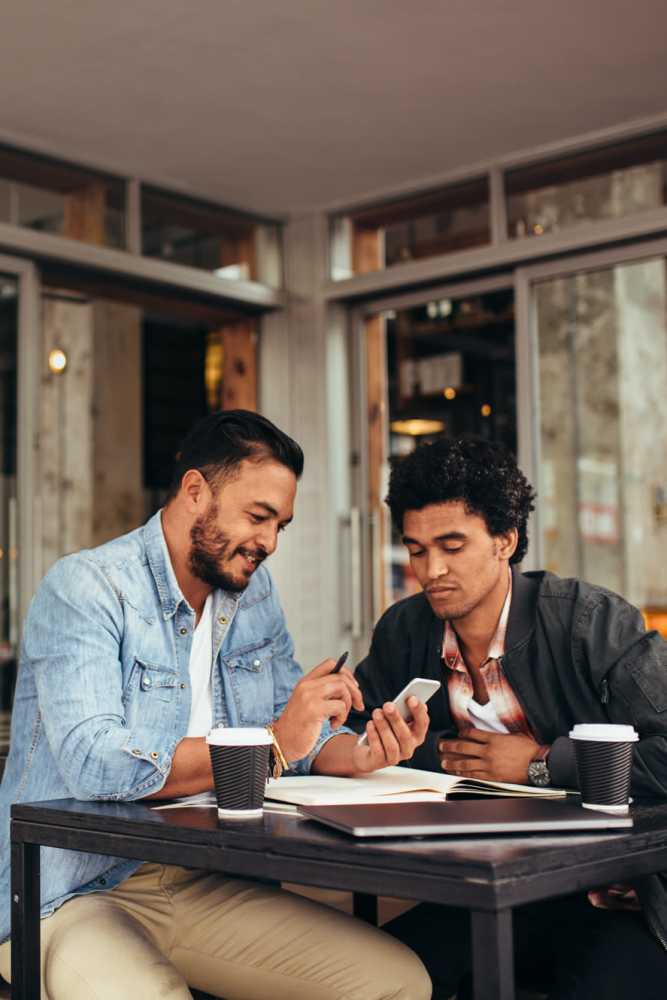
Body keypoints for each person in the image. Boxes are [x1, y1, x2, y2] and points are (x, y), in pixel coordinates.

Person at [0, 410, 432, 1000]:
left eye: (281, 524)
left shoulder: (252, 596)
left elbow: (294, 743)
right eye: (259, 517)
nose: (270, 543)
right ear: (196, 491)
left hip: (205, 874)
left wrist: (358, 754)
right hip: (71, 889)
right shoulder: (87, 588)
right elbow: (94, 764)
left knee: (394, 983)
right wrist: (275, 740)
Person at [349, 435, 667, 1000]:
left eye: (452, 545)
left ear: (505, 540)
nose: (432, 569)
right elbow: (357, 733)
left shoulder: (590, 625)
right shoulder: (405, 632)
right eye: (416, 549)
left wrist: (545, 764)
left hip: (618, 898)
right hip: (481, 887)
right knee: (371, 975)